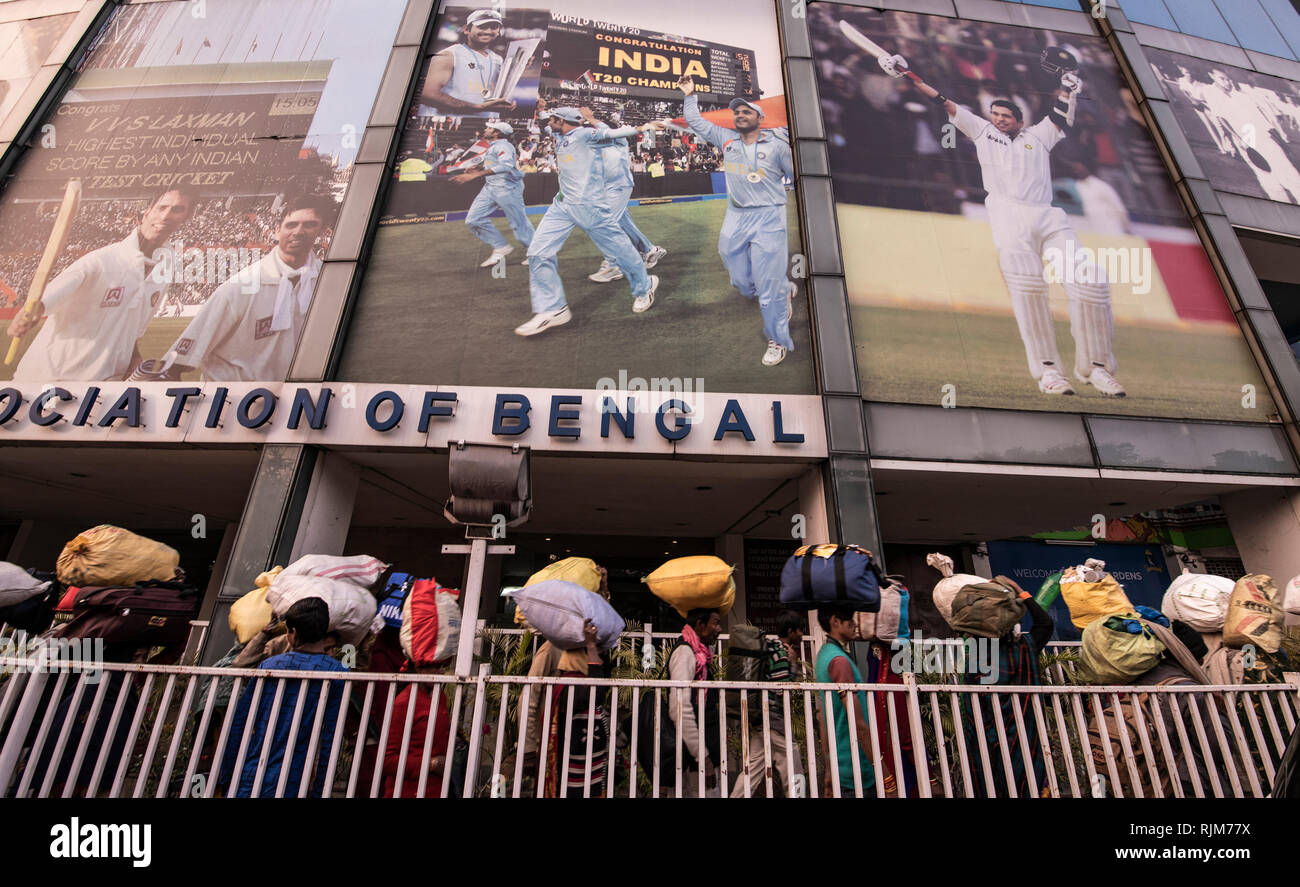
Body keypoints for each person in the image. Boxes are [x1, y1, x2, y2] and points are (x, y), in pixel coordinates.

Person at [884, 47, 1127, 397]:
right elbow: (943, 100)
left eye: (1005, 115)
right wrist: (907, 74)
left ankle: (1097, 368)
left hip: (1048, 215)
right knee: (1028, 288)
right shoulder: (983, 132)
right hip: (1008, 216)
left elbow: (1060, 114)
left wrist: (1069, 87)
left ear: (1019, 120)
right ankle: (1048, 371)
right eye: (994, 114)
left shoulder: (1039, 136)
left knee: (1090, 281)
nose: (998, 118)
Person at [7, 187, 195, 381]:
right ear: (147, 212)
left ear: (187, 217)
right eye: (161, 207)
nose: (166, 216)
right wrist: (30, 313)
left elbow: (132, 329)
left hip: (104, 391)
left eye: (177, 210)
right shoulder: (100, 260)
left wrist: (135, 361)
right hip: (49, 382)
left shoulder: (165, 267)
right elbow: (46, 299)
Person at [671, 76, 796, 367]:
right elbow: (695, 121)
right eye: (737, 112)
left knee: (766, 282)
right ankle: (780, 289)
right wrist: (690, 94)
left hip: (769, 216)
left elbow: (796, 175)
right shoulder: (725, 138)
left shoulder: (778, 145)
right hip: (736, 216)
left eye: (746, 112)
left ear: (759, 117)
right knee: (740, 279)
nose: (739, 115)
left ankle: (777, 337)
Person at [514, 104, 661, 336]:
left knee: (619, 249)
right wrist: (541, 108)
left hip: (590, 204)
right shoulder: (559, 134)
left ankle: (645, 287)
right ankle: (554, 309)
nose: (548, 124)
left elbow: (615, 133)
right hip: (561, 204)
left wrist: (645, 126)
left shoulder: (584, 135)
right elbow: (544, 124)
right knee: (537, 253)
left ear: (561, 121)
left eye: (552, 119)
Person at [162, 195, 328, 381]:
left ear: (321, 230)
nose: (298, 231)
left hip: (297, 402)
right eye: (291, 225)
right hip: (233, 404)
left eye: (309, 225)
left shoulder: (331, 282)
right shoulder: (238, 288)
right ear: (275, 230)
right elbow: (175, 364)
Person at [220, 597, 348, 798]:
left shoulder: (270, 666)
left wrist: (227, 775)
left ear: (293, 632)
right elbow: (331, 737)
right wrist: (320, 788)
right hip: (295, 776)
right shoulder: (337, 673)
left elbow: (240, 722)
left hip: (251, 772)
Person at [956, 576, 1052, 798]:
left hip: (985, 741)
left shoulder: (976, 656)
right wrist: (1020, 591)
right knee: (1029, 784)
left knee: (990, 784)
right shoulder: (1024, 648)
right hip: (1024, 738)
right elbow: (1045, 624)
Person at [522, 620, 611, 797]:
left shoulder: (589, 650)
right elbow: (530, 698)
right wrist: (530, 747)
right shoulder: (552, 649)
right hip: (554, 741)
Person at [579, 106, 667, 283]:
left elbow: (607, 130)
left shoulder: (618, 138)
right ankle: (649, 249)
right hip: (607, 187)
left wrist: (591, 118)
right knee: (622, 222)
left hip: (619, 185)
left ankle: (614, 265)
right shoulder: (597, 141)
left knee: (604, 223)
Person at [729, 610, 806, 797]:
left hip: (761, 717)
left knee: (753, 768)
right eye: (800, 630)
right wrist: (793, 665)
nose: (802, 634)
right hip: (772, 716)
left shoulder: (771, 648)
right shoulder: (781, 653)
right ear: (790, 631)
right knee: (793, 760)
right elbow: (782, 688)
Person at [814, 604, 877, 797]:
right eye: (850, 619)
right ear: (835, 621)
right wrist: (885, 774)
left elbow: (823, 719)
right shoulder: (839, 661)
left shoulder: (824, 655)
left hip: (841, 768)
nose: (855, 624)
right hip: (857, 768)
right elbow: (859, 724)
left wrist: (829, 769)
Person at [452, 121, 534, 267]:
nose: (486, 129)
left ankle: (536, 254)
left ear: (496, 133)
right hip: (490, 187)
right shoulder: (494, 146)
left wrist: (476, 175)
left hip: (508, 188)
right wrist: (478, 167)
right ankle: (501, 247)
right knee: (473, 219)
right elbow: (494, 163)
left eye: (489, 128)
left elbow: (506, 166)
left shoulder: (504, 146)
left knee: (519, 223)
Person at [666, 607, 723, 796]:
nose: (719, 628)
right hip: (693, 761)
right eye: (715, 623)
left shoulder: (700, 653)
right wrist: (703, 757)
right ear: (700, 625)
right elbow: (680, 709)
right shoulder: (685, 653)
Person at [419, 8, 516, 118]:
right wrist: (477, 107)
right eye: (482, 26)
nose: (488, 31)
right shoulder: (449, 55)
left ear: (498, 32)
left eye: (494, 27)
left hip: (485, 123)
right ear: (467, 30)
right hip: (451, 125)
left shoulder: (497, 59)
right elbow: (427, 94)